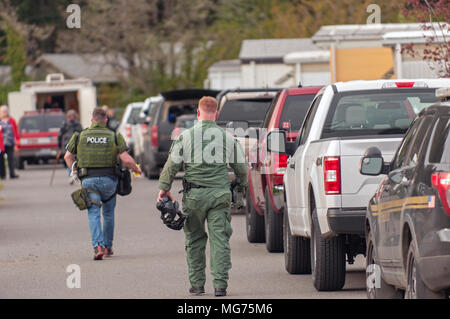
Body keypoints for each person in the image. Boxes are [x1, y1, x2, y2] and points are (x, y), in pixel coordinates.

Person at [157, 96, 248, 297]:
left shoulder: (185, 136)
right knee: (220, 240)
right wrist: (242, 186)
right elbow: (242, 169)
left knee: (195, 240)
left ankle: (197, 285)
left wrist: (164, 188)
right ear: (216, 114)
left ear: (198, 113)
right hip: (220, 196)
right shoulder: (227, 138)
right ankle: (220, 286)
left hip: (194, 196)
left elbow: (171, 165)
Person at [64, 107, 142, 260]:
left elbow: (68, 156)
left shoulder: (79, 136)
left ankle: (97, 246)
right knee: (108, 214)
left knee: (93, 213)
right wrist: (136, 169)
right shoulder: (114, 136)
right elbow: (126, 159)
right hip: (109, 182)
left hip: (88, 181)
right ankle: (107, 247)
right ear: (105, 121)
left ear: (92, 120)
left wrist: (75, 173)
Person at [58, 110, 83, 184]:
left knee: (68, 158)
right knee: (76, 158)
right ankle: (75, 173)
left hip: (67, 144)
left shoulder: (65, 124)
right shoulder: (78, 124)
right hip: (77, 143)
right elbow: (82, 133)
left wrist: (59, 145)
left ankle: (71, 173)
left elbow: (60, 135)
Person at [0, 105, 20, 180]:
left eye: (5, 111)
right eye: (3, 111)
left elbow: (15, 131)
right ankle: (3, 175)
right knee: (1, 160)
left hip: (10, 142)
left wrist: (17, 142)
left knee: (11, 159)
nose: (4, 113)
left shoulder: (11, 120)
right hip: (1, 144)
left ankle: (12, 174)